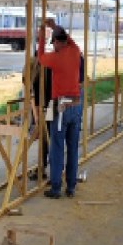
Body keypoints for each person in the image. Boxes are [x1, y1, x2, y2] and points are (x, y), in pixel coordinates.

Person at [37, 19, 82, 199]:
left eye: (52, 43)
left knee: (57, 147)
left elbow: (40, 57)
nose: (52, 47)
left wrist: (41, 36)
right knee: (72, 148)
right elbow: (69, 40)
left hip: (61, 106)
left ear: (56, 41)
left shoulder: (55, 58)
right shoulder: (75, 51)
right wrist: (55, 27)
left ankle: (56, 187)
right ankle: (70, 186)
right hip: (76, 105)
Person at [24, 52, 52, 181]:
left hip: (46, 107)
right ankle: (46, 167)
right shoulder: (46, 67)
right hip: (50, 106)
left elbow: (34, 99)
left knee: (46, 138)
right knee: (48, 138)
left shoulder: (37, 75)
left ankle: (45, 168)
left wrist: (36, 117)